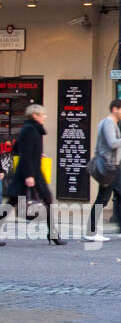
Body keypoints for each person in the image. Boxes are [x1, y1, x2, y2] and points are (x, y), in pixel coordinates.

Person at [2, 105, 66, 245]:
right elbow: (24, 153)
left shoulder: (31, 129)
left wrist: (37, 153)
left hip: (30, 171)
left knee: (16, 202)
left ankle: (53, 233)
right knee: (14, 202)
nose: (45, 117)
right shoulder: (30, 130)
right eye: (43, 114)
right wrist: (29, 175)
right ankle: (53, 234)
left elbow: (17, 147)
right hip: (29, 172)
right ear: (35, 115)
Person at [87, 98, 121, 241]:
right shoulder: (109, 123)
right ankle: (91, 231)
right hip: (108, 167)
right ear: (114, 109)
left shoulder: (110, 123)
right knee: (103, 199)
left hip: (113, 168)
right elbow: (112, 143)